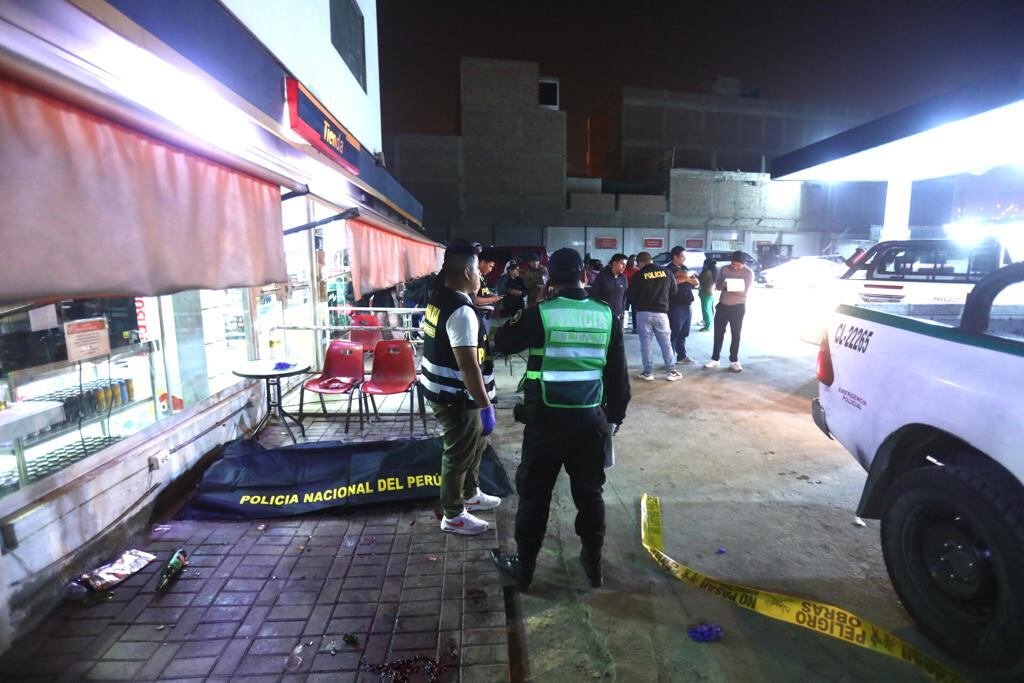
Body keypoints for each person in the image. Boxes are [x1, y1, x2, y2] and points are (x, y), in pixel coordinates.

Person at [490, 248, 631, 590]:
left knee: (535, 496)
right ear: (583, 273)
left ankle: (525, 568)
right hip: (590, 422)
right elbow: (619, 381)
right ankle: (593, 565)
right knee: (590, 495)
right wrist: (613, 419)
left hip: (545, 425)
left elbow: (503, 342)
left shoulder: (541, 314)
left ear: (551, 277)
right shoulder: (605, 315)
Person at [418, 240, 500, 535]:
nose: (481, 276)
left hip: (443, 391)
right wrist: (486, 406)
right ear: (467, 273)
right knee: (458, 453)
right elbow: (468, 367)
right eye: (478, 269)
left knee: (476, 444)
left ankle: (471, 494)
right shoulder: (461, 312)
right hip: (456, 397)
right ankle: (453, 514)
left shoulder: (439, 297)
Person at [627, 252, 681, 381]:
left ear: (640, 262)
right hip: (661, 313)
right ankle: (671, 372)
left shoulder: (638, 275)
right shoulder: (666, 272)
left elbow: (631, 296)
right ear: (650, 260)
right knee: (666, 343)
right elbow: (674, 291)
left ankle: (648, 373)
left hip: (643, 313)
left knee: (646, 344)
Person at [705, 251, 754, 372]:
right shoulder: (724, 269)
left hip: (738, 307)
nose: (735, 267)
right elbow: (718, 286)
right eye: (733, 264)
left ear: (744, 263)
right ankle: (715, 359)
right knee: (718, 333)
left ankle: (734, 361)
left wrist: (728, 284)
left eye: (738, 265)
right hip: (723, 305)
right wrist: (729, 285)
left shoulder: (748, 272)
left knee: (736, 334)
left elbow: (743, 290)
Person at [664, 247, 699, 365]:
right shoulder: (669, 269)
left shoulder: (684, 268)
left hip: (687, 304)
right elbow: (674, 281)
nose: (685, 258)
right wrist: (687, 276)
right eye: (683, 256)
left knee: (684, 332)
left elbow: (696, 282)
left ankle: (682, 356)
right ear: (675, 257)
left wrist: (684, 278)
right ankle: (670, 359)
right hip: (675, 305)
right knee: (674, 332)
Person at [589, 253, 628, 322]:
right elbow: (594, 295)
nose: (624, 267)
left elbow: (625, 296)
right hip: (603, 315)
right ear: (614, 263)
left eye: (625, 265)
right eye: (622, 264)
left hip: (618, 316)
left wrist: (623, 311)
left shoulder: (623, 278)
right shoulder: (602, 276)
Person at [474, 254, 502, 334]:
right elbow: (474, 299)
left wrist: (491, 294)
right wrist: (493, 299)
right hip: (479, 316)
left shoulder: (482, 276)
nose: (491, 270)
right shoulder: (475, 277)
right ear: (482, 262)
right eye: (490, 266)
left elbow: (482, 292)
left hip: (485, 316)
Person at [698, 257, 718, 331]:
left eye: (704, 264)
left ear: (707, 264)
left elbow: (699, 280)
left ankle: (708, 327)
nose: (703, 265)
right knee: (709, 310)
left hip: (706, 293)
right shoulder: (714, 271)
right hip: (711, 293)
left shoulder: (707, 272)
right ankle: (709, 325)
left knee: (706, 310)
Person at [624, 255, 639, 333]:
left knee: (635, 311)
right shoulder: (624, 270)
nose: (633, 262)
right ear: (628, 261)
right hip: (625, 292)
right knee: (624, 310)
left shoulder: (638, 271)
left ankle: (635, 327)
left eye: (635, 260)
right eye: (632, 260)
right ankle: (623, 326)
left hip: (635, 293)